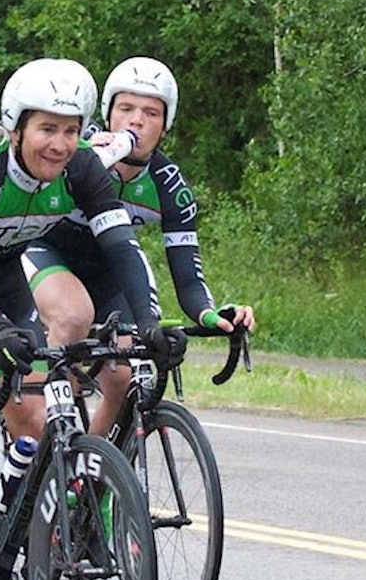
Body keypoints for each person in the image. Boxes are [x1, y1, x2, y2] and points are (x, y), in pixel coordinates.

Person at [0, 58, 175, 535]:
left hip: (4, 273)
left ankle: (9, 512)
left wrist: (148, 321)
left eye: (71, 130)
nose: (60, 144)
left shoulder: (82, 168)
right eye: (47, 128)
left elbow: (122, 248)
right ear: (16, 127)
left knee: (36, 420)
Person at [24, 56, 252, 436]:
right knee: (72, 315)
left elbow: (188, 281)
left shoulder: (167, 186)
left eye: (151, 113)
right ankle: (34, 433)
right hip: (44, 253)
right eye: (126, 108)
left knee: (127, 374)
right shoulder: (76, 152)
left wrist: (214, 317)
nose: (136, 121)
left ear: (165, 126)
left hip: (110, 270)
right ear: (108, 115)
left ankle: (90, 474)